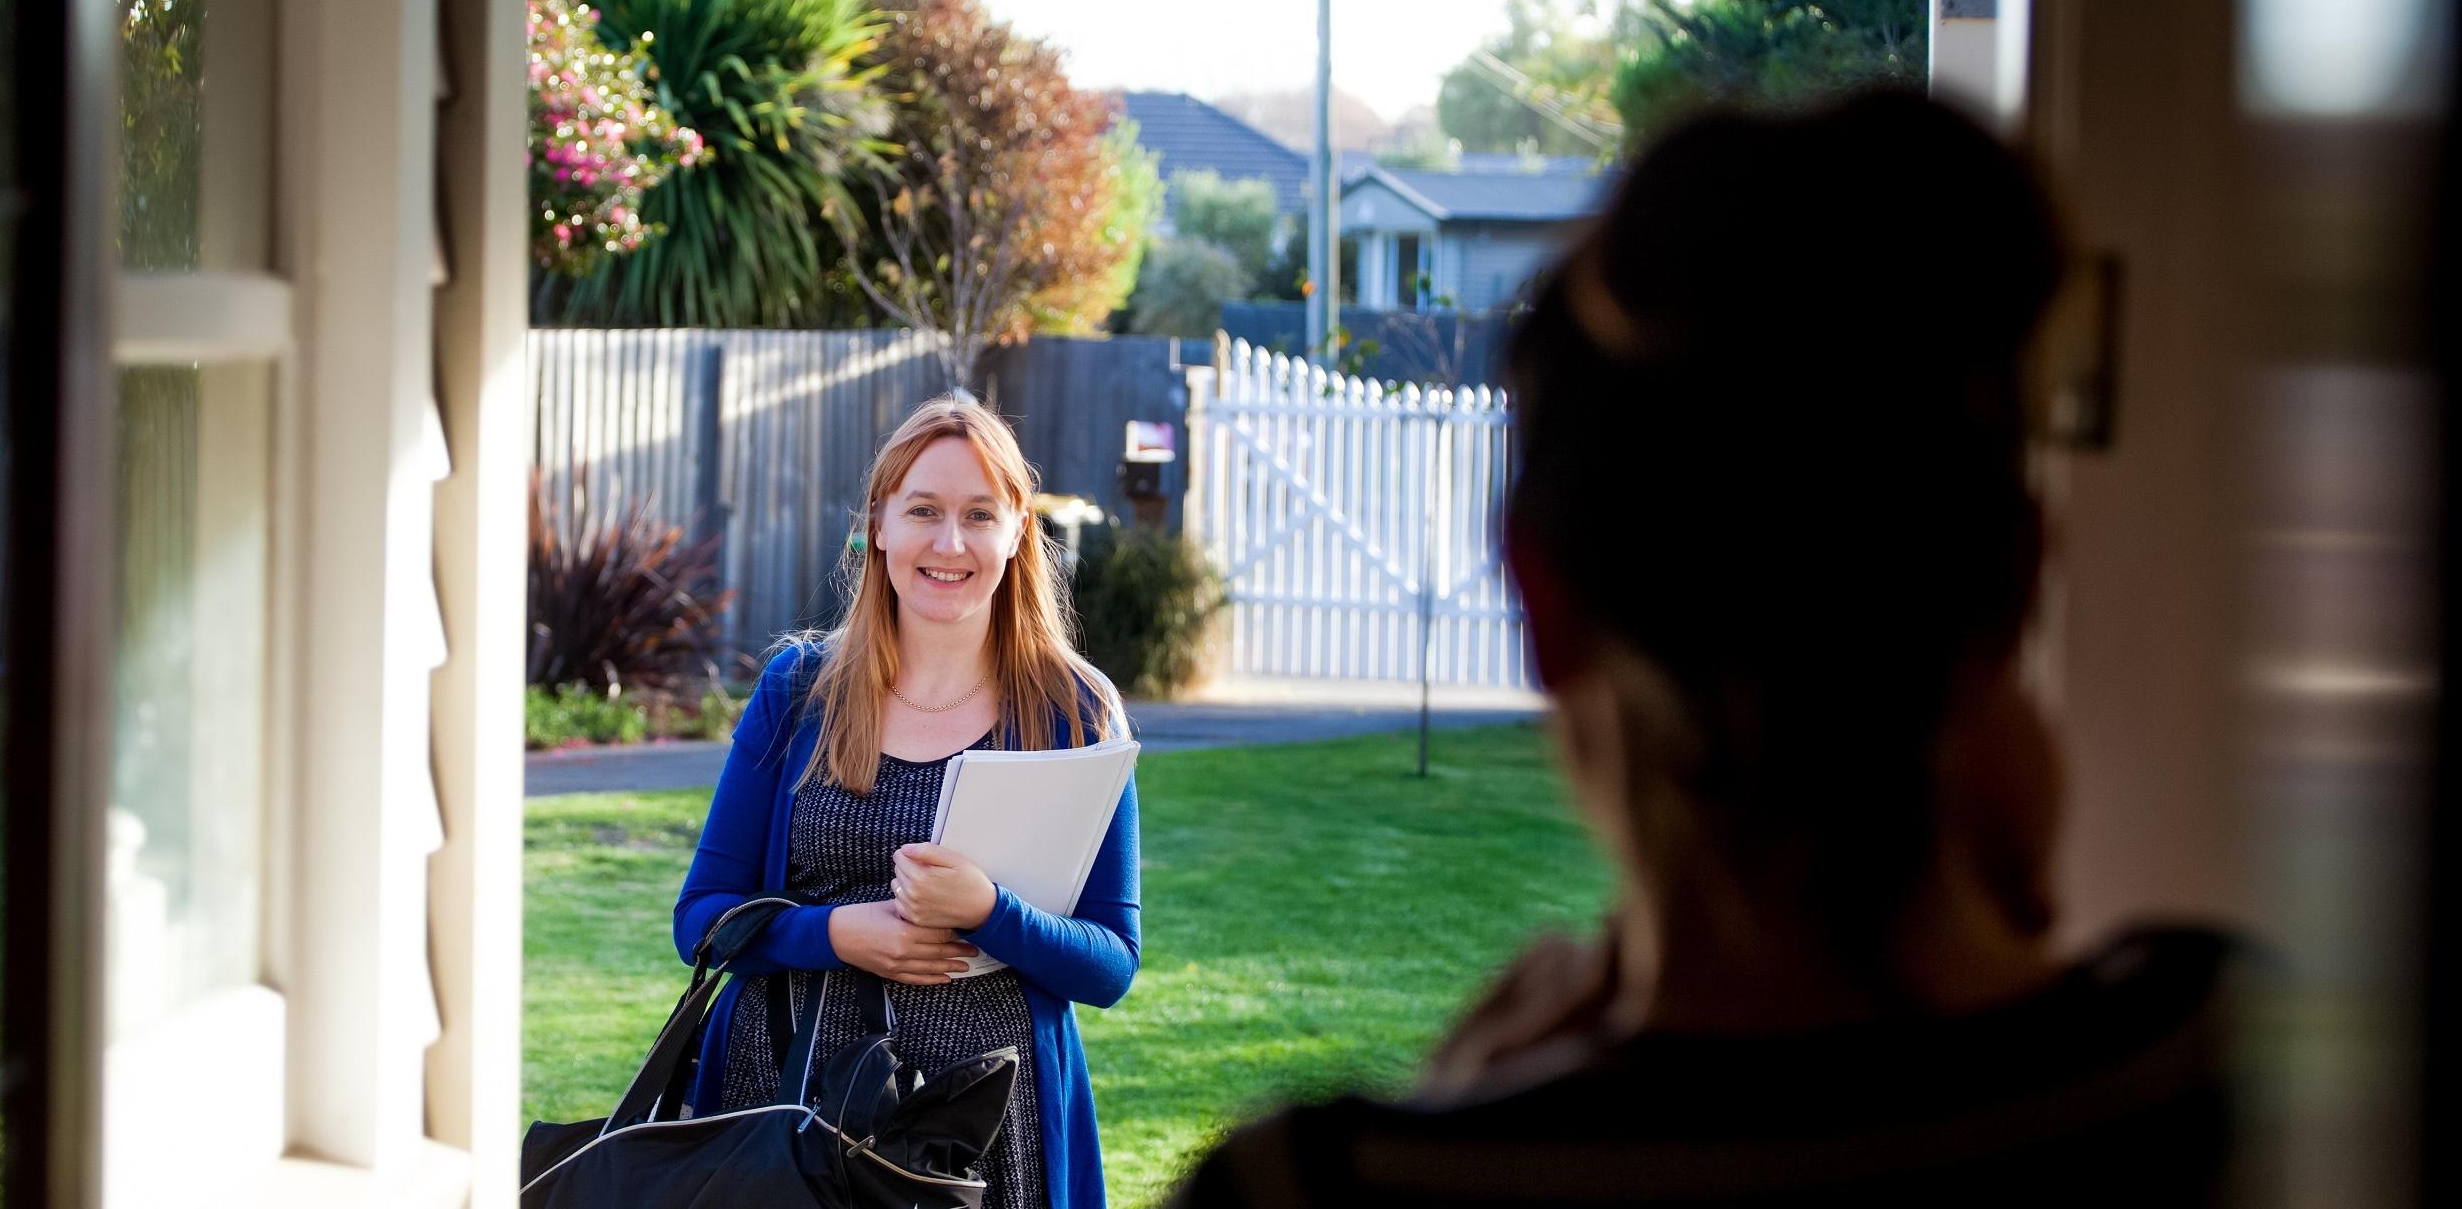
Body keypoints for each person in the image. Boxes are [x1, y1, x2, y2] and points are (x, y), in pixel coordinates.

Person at [1168, 92, 2239, 1206]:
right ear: (2019, 579)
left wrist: (1461, 1100)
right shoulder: (2235, 1065)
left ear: (1540, 602)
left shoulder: (1314, 1187)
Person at [675, 393, 1139, 1209]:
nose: (949, 542)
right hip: (784, 1108)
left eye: (978, 515)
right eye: (923, 510)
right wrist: (837, 934)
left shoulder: (1075, 711)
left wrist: (991, 908)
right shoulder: (799, 689)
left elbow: (1109, 963)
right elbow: (702, 920)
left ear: (1018, 532)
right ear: (879, 524)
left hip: (987, 1130)